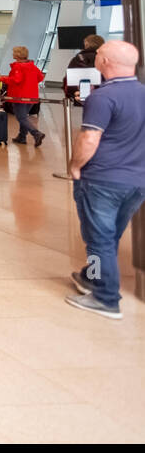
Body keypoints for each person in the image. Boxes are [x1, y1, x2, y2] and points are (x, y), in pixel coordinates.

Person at [66, 40, 145, 319]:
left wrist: (75, 166)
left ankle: (105, 297)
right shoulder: (141, 92)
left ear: (105, 62)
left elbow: (89, 137)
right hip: (136, 182)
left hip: (102, 180)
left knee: (99, 238)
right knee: (108, 235)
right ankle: (91, 276)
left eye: (98, 55)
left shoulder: (103, 97)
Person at [1, 46, 45, 147]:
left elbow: (16, 80)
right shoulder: (32, 66)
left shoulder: (18, 66)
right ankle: (22, 137)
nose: (12, 54)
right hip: (32, 96)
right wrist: (30, 84)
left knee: (21, 117)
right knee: (24, 117)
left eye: (14, 52)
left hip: (19, 96)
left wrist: (3, 79)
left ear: (18, 55)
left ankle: (36, 133)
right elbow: (40, 77)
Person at [66, 34, 105, 101]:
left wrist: (71, 93)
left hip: (80, 93)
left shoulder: (77, 58)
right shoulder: (105, 58)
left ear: (86, 44)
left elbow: (69, 78)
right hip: (101, 93)